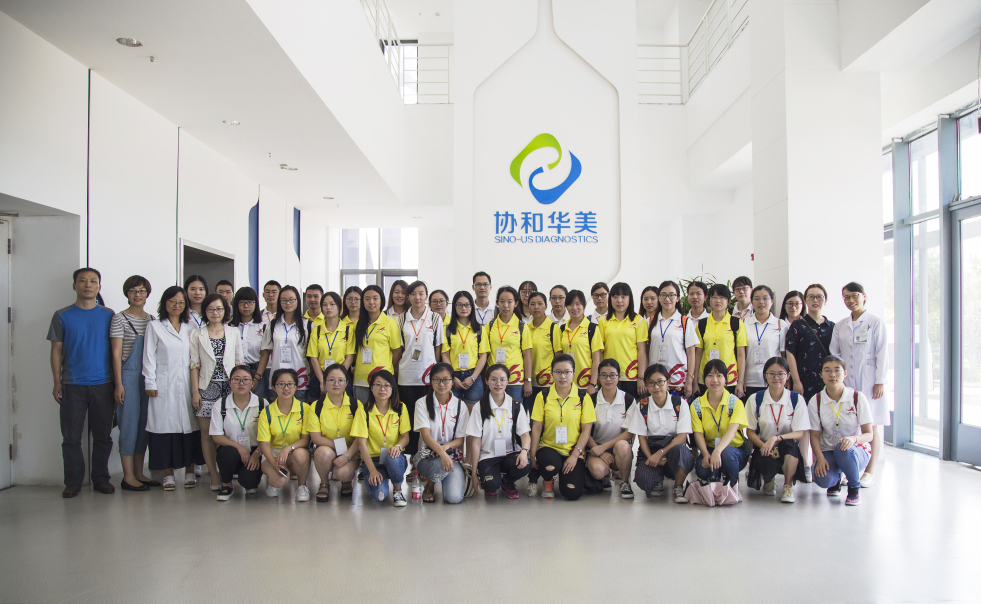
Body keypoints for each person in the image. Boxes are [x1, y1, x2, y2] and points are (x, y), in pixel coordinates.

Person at [48, 267, 116, 498]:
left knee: (103, 436)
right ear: (74, 285)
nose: (88, 285)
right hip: (72, 384)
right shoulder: (62, 315)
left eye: (93, 281)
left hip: (104, 384)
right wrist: (56, 381)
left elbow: (116, 350)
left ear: (99, 286)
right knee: (71, 437)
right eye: (82, 281)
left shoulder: (109, 315)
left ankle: (101, 478)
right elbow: (56, 350)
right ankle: (73, 482)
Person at [144, 286, 203, 491]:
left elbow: (196, 357)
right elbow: (149, 357)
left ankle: (189, 471)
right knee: (164, 429)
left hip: (188, 384)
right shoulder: (155, 326)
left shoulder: (191, 326)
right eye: (172, 302)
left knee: (190, 428)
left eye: (181, 302)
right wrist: (150, 382)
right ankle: (168, 474)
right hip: (163, 385)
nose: (177, 306)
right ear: (165, 303)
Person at [829, 282, 888, 488]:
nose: (851, 300)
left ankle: (870, 471)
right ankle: (852, 469)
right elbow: (834, 353)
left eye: (854, 295)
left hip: (870, 381)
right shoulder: (840, 325)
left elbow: (882, 353)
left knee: (872, 426)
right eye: (846, 297)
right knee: (850, 425)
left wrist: (880, 381)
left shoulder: (875, 322)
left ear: (864, 296)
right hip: (848, 382)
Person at [189, 293, 244, 490]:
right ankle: (214, 474)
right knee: (207, 434)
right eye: (211, 309)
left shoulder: (233, 332)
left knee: (228, 431)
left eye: (219, 309)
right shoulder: (197, 334)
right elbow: (194, 365)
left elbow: (239, 362)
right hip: (207, 388)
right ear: (205, 311)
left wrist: (241, 388)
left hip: (230, 388)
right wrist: (195, 392)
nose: (215, 313)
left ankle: (227, 471)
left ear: (225, 310)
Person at [110, 275, 157, 492]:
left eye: (141, 291)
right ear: (126, 294)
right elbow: (116, 353)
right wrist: (118, 384)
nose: (137, 295)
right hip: (128, 376)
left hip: (147, 377)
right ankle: (128, 476)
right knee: (128, 424)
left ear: (147, 294)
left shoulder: (152, 320)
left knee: (144, 426)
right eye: (133, 291)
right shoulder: (119, 319)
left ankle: (139, 473)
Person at [808, 355, 873, 506]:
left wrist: (853, 439)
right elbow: (815, 435)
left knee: (843, 449)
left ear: (845, 373)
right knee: (823, 479)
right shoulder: (816, 401)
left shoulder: (857, 398)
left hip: (855, 451)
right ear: (821, 374)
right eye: (827, 370)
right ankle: (836, 479)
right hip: (829, 450)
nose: (832, 374)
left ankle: (854, 488)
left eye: (837, 370)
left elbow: (869, 434)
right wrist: (819, 457)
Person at [529, 354, 596, 500]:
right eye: (558, 372)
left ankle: (566, 475)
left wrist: (575, 455)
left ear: (574, 372)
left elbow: (586, 430)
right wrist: (532, 453)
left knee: (572, 493)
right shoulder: (543, 396)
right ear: (552, 373)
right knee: (549, 466)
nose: (562, 376)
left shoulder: (583, 397)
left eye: (567, 372)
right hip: (549, 447)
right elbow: (536, 428)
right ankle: (548, 480)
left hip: (573, 450)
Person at [785, 283, 834, 483]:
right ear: (805, 300)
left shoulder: (832, 327)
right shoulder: (798, 325)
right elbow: (790, 353)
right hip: (804, 382)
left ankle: (820, 461)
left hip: (827, 383)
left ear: (825, 300)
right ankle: (806, 463)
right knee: (805, 423)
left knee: (824, 422)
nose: (815, 300)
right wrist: (796, 380)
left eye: (819, 297)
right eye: (811, 297)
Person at [745, 357, 810, 503]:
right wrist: (764, 445)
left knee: (789, 447)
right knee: (765, 458)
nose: (776, 378)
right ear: (765, 375)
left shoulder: (796, 399)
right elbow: (750, 432)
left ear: (788, 376)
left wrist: (776, 438)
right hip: (764, 446)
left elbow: (800, 433)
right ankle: (768, 480)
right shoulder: (755, 399)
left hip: (787, 446)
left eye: (781, 374)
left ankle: (788, 486)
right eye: (771, 374)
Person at [629, 364, 695, 503]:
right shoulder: (642, 406)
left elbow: (682, 437)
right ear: (646, 385)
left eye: (660, 382)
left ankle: (678, 486)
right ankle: (656, 480)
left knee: (683, 453)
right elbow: (642, 439)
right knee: (643, 480)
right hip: (651, 450)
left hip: (673, 450)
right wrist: (652, 458)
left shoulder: (680, 404)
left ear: (668, 382)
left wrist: (661, 453)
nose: (656, 387)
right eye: (651, 383)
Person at [465, 364, 532, 498]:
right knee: (490, 487)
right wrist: (474, 472)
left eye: (502, 379)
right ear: (486, 381)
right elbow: (475, 442)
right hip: (488, 455)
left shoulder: (515, 405)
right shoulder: (479, 407)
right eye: (494, 379)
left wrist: (524, 452)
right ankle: (493, 479)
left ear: (507, 381)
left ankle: (507, 481)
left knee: (526, 465)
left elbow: (525, 434)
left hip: (511, 454)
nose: (498, 384)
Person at [395, 280, 444, 458]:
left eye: (421, 293)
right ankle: (411, 458)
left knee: (427, 418)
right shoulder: (401, 319)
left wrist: (436, 373)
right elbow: (400, 349)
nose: (417, 297)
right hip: (406, 377)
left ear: (426, 296)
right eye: (413, 294)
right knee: (409, 418)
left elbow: (438, 348)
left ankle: (425, 457)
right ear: (408, 296)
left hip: (428, 378)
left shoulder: (435, 318)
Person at [351, 370, 411, 506]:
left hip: (393, 456)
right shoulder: (363, 410)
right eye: (378, 385)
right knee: (379, 495)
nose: (382, 389)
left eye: (387, 385)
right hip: (373, 460)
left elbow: (405, 437)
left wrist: (398, 446)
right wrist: (372, 470)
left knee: (393, 459)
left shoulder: (401, 408)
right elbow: (361, 444)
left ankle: (397, 490)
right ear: (371, 388)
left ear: (392, 388)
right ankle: (378, 479)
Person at [414, 363, 470, 503]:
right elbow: (426, 436)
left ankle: (442, 477)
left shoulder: (460, 406)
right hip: (426, 456)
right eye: (436, 379)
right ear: (431, 381)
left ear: (452, 381)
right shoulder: (421, 403)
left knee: (454, 498)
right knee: (439, 466)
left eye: (446, 380)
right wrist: (442, 453)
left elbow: (460, 439)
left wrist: (445, 448)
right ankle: (430, 485)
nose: (441, 384)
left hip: (451, 456)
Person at [690, 359, 750, 489]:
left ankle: (733, 485)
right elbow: (698, 434)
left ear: (726, 379)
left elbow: (731, 432)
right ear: (704, 379)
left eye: (719, 376)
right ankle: (715, 480)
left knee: (726, 455)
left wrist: (718, 451)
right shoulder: (696, 405)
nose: (714, 380)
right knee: (702, 470)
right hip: (710, 448)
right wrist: (706, 454)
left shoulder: (735, 403)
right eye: (710, 375)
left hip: (734, 450)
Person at [304, 364, 361, 501]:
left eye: (340, 380)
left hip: (351, 452)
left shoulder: (356, 405)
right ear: (324, 383)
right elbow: (316, 438)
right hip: (328, 448)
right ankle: (324, 483)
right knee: (322, 453)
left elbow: (360, 436)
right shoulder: (316, 406)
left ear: (347, 383)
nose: (336, 384)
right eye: (331, 380)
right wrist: (340, 448)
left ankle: (346, 481)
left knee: (343, 473)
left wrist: (348, 453)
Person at [257, 368, 312, 502]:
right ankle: (272, 480)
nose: (286, 388)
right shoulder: (266, 412)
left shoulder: (305, 409)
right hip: (273, 453)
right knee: (279, 481)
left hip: (293, 451)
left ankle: (302, 486)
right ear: (274, 387)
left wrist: (288, 449)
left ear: (296, 387)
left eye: (290, 384)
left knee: (302, 454)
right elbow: (264, 444)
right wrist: (274, 465)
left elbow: (305, 439)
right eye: (281, 384)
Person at [210, 365, 264, 501]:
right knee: (227, 454)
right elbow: (216, 436)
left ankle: (248, 478)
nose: (241, 383)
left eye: (246, 379)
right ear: (229, 383)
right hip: (231, 449)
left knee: (250, 484)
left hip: (254, 452)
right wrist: (238, 447)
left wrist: (256, 454)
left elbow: (268, 436)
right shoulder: (220, 404)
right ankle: (226, 484)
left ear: (252, 383)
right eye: (236, 379)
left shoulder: (262, 404)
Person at [344, 285, 403, 403]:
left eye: (375, 298)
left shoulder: (390, 323)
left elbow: (397, 351)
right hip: (361, 379)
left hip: (382, 380)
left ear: (381, 300)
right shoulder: (358, 324)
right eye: (367, 299)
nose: (371, 302)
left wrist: (387, 366)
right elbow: (354, 351)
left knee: (381, 412)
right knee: (362, 412)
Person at [585, 359, 635, 499]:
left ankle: (625, 482)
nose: (608, 379)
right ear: (598, 377)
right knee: (598, 471)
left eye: (612, 375)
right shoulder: (590, 400)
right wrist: (600, 451)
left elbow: (629, 433)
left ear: (619, 377)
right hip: (595, 448)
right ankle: (605, 475)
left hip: (618, 448)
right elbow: (585, 432)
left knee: (623, 446)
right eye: (604, 375)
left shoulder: (628, 400)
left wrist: (605, 447)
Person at [693, 284, 748, 398]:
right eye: (714, 297)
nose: (718, 301)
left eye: (722, 297)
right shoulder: (702, 324)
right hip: (705, 377)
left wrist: (740, 381)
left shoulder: (736, 323)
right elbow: (697, 354)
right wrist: (694, 382)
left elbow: (741, 355)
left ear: (728, 301)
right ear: (709, 300)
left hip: (729, 378)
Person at [256, 285, 309, 401]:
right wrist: (257, 377)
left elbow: (312, 355)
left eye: (291, 300)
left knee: (299, 411)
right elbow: (265, 353)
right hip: (277, 380)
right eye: (284, 300)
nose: (288, 303)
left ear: (297, 301)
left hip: (300, 379)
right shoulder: (272, 325)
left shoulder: (307, 325)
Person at [646, 280, 698, 399]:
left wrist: (690, 379)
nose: (667, 299)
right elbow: (646, 350)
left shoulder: (685, 321)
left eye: (671, 295)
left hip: (678, 379)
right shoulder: (650, 321)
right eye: (663, 295)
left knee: (677, 409)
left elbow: (691, 353)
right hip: (655, 380)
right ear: (659, 298)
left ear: (678, 298)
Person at [483, 285, 532, 402]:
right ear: (497, 303)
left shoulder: (522, 326)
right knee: (493, 410)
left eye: (510, 302)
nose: (505, 305)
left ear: (516, 303)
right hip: (494, 380)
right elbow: (485, 354)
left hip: (515, 380)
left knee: (515, 411)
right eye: (502, 301)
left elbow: (527, 356)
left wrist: (528, 380)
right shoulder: (490, 326)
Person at [601, 282, 649, 401]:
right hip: (609, 376)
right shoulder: (603, 321)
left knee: (631, 409)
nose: (619, 301)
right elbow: (600, 351)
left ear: (630, 299)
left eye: (623, 297)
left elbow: (642, 352)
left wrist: (641, 377)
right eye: (615, 297)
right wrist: (600, 375)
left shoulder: (639, 321)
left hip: (631, 377)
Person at [442, 291, 488, 407]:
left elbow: (483, 356)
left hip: (473, 375)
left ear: (472, 306)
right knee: (453, 412)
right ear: (454, 307)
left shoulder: (480, 329)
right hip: (453, 376)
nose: (464, 308)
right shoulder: (447, 330)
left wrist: (473, 378)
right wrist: (452, 377)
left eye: (467, 305)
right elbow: (445, 355)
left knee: (473, 414)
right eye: (460, 305)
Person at [743, 285, 789, 398]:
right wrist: (740, 380)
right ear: (751, 302)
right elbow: (741, 353)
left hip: (774, 380)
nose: (761, 302)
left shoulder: (780, 324)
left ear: (772, 301)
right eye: (757, 299)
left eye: (765, 298)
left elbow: (784, 356)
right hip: (750, 380)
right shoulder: (744, 323)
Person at [559, 289, 604, 398]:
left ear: (584, 304)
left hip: (586, 384)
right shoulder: (562, 329)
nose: (574, 308)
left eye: (578, 304)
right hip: (566, 384)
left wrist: (592, 384)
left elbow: (597, 360)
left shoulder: (592, 328)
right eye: (570, 304)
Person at [306, 292, 350, 397]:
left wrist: (339, 379)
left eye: (332, 304)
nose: (328, 307)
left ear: (339, 306)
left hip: (342, 378)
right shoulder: (316, 330)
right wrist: (323, 381)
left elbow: (350, 357)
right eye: (324, 305)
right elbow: (313, 358)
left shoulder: (348, 330)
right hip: (320, 376)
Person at [527, 292, 562, 411]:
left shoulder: (553, 328)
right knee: (532, 415)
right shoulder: (526, 328)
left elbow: (558, 356)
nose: (536, 307)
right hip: (529, 382)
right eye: (532, 304)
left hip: (548, 382)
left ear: (546, 306)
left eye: (540, 304)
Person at [230, 287, 263, 378]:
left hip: (256, 370)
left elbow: (265, 354)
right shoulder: (230, 327)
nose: (246, 306)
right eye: (242, 302)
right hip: (234, 370)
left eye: (250, 302)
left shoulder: (263, 327)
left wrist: (257, 376)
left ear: (255, 304)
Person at [302, 285, 325, 400]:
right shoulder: (301, 320)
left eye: (316, 296)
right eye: (309, 296)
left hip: (322, 367)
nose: (312, 299)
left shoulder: (328, 320)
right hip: (304, 366)